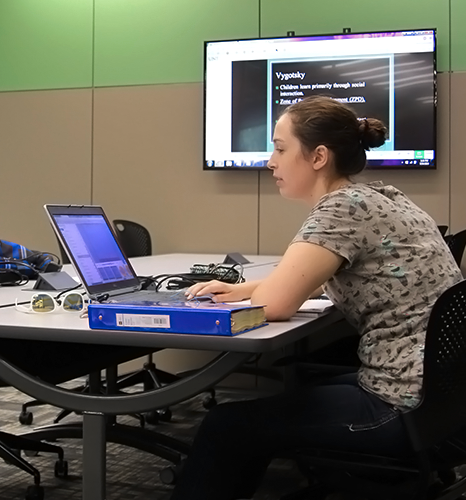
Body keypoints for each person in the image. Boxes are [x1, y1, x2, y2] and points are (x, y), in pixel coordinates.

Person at [170, 96, 464, 500]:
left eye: (279, 148)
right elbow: (305, 278)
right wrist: (240, 289)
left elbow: (276, 305)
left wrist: (257, 294)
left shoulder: (341, 209)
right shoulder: (383, 197)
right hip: (442, 394)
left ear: (319, 156)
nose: (270, 161)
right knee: (290, 396)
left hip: (402, 402)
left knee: (228, 424)